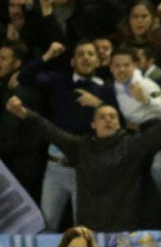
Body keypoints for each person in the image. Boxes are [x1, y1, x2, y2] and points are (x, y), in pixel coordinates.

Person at [5, 91, 161, 231]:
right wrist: (23, 113)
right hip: (89, 231)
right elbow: (49, 130)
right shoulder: (80, 147)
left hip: (124, 231)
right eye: (102, 117)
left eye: (113, 117)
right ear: (93, 124)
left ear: (119, 123)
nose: (108, 120)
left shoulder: (133, 147)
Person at [16, 39, 117, 231]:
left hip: (86, 166)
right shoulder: (60, 82)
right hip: (56, 165)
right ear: (72, 62)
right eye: (80, 54)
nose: (86, 58)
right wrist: (48, 55)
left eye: (90, 54)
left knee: (86, 227)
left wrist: (98, 105)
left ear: (98, 60)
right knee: (47, 226)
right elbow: (25, 77)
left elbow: (118, 124)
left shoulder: (106, 90)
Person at [109, 45, 161, 231]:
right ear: (110, 67)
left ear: (135, 65)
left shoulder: (145, 84)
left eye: (126, 65)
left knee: (159, 169)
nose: (121, 70)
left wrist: (147, 100)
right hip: (139, 143)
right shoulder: (116, 89)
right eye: (117, 66)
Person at [0, 39, 44, 203]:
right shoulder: (6, 85)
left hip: (22, 168)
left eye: (3, 58)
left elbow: (9, 132)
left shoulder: (21, 90)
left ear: (17, 62)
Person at [110, 0, 161, 80]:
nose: (139, 21)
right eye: (135, 16)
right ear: (128, 19)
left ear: (152, 18)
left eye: (144, 16)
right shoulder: (119, 39)